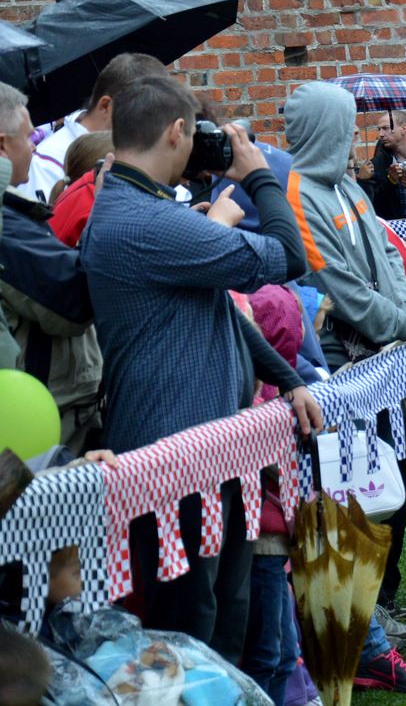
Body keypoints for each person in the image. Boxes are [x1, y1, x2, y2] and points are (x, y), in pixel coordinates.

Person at [79, 74, 321, 658]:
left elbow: (222, 314)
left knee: (226, 618)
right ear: (177, 132)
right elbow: (287, 257)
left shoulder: (142, 209)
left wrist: (288, 381)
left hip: (210, 448)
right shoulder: (149, 222)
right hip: (174, 459)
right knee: (191, 631)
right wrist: (259, 175)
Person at [283, 81, 406, 637]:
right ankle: (364, 605)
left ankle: (385, 592)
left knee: (397, 474)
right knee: (358, 485)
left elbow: (391, 253)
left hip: (390, 354)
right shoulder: (298, 197)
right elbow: (339, 288)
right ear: (324, 130)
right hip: (346, 366)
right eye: (343, 126)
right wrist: (405, 324)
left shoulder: (350, 188)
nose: (353, 137)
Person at [0, 83, 102, 454]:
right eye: (28, 137)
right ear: (1, 146)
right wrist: (106, 214)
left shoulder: (12, 215)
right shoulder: (6, 226)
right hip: (46, 423)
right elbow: (73, 298)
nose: (35, 147)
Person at [25, 52, 167, 202]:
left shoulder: (136, 153)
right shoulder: (47, 164)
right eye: (144, 115)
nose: (150, 127)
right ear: (106, 106)